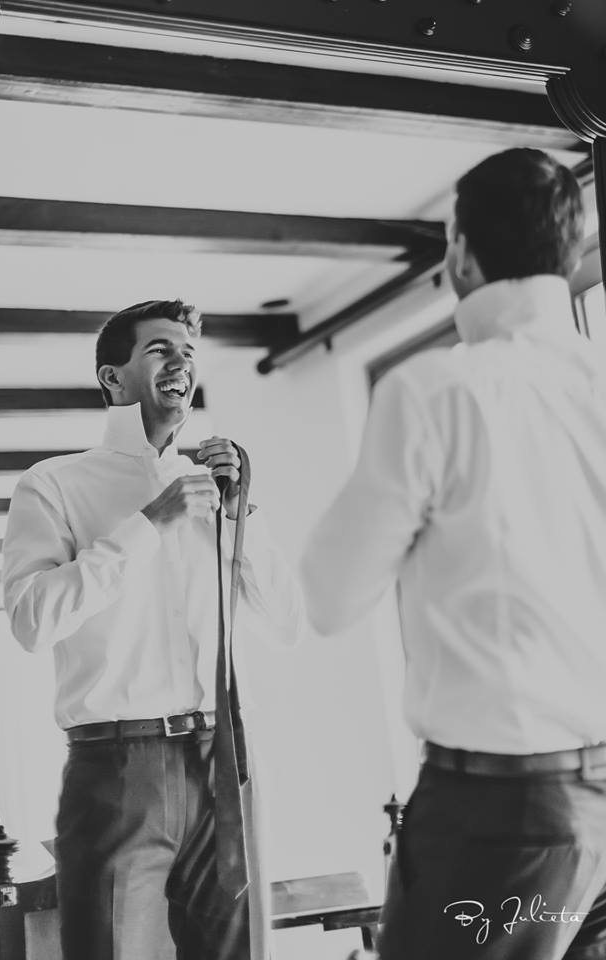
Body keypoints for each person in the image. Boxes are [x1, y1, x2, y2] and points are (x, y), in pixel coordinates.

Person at [301, 148, 606, 960]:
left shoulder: (434, 391)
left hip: (502, 816)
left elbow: (329, 599)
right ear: (569, 252)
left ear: (461, 253)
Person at [2, 298, 304, 960]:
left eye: (189, 353)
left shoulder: (215, 488)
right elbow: (29, 621)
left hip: (225, 758)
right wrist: (147, 524)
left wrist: (239, 517)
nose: (182, 363)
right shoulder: (53, 484)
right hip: (119, 769)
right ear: (114, 379)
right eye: (161, 350)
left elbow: (288, 621)